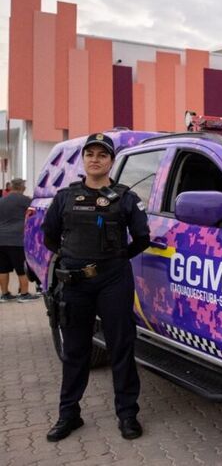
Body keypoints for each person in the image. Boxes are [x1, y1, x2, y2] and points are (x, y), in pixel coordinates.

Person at [42, 133, 150, 442]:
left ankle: (128, 414)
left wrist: (114, 260)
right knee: (75, 351)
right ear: (84, 159)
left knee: (121, 347)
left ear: (111, 161)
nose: (95, 159)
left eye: (102, 155)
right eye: (90, 153)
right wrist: (75, 259)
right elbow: (50, 236)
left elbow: (142, 237)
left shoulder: (126, 198)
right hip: (75, 283)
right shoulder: (65, 197)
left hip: (113, 280)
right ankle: (68, 415)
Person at [0, 178, 39, 302]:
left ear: (11, 187)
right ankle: (24, 294)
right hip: (17, 240)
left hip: (1, 239)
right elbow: (36, 213)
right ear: (22, 187)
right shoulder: (25, 200)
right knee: (21, 268)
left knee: (3, 268)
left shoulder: (2, 200)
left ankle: (5, 294)